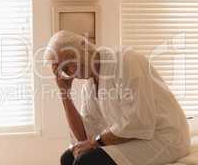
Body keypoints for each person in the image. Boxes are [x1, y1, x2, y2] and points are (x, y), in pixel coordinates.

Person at [43, 30, 191, 165]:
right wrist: (65, 93)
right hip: (133, 138)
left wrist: (95, 143)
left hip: (163, 137)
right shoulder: (89, 85)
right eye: (64, 69)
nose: (70, 72)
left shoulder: (126, 61)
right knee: (68, 158)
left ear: (84, 46)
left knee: (87, 161)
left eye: (70, 63)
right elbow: (84, 137)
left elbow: (139, 122)